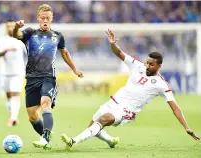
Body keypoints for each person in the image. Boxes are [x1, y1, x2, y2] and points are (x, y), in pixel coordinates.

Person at [61, 29, 200, 150]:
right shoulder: (138, 66)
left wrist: (186, 127)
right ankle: (111, 141)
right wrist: (112, 44)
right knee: (93, 125)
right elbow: (119, 53)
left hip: (127, 111)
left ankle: (73, 141)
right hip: (115, 101)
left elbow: (175, 107)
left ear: (159, 66)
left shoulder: (161, 84)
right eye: (147, 62)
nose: (147, 66)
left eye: (151, 64)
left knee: (103, 119)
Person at [12, 4, 83, 150]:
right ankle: (47, 139)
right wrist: (16, 27)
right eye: (43, 17)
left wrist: (75, 69)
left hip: (48, 77)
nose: (45, 20)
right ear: (38, 18)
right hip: (31, 79)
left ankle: (45, 137)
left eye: (48, 18)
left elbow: (65, 53)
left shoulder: (57, 36)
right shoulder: (30, 33)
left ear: (51, 19)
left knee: (45, 103)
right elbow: (16, 35)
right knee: (32, 115)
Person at [0, 20, 26, 127]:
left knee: (15, 93)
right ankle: (10, 105)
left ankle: (13, 118)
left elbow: (29, 52)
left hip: (18, 72)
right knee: (8, 93)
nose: (10, 28)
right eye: (8, 26)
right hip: (5, 72)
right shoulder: (2, 40)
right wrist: (7, 50)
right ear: (5, 28)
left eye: (12, 26)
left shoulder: (21, 40)